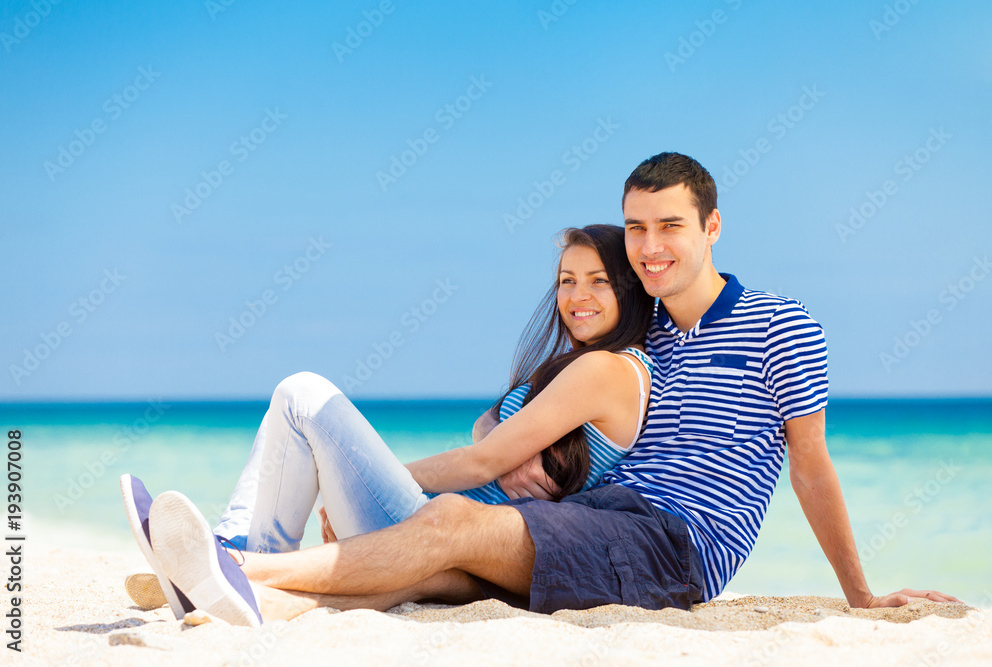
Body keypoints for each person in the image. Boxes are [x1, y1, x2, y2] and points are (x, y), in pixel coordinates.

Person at [137, 153, 960, 627]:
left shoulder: (781, 324)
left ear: (712, 227)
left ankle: (238, 564)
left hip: (678, 544)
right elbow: (595, 438)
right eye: (636, 226)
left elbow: (810, 465)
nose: (650, 244)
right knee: (443, 559)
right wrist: (537, 456)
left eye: (670, 225)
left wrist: (859, 592)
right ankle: (237, 591)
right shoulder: (651, 338)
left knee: (453, 520)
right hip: (607, 516)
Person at [121, 224, 657, 624]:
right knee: (296, 400)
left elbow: (480, 461)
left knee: (302, 394)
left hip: (442, 536)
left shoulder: (608, 368)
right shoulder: (578, 366)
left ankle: (229, 553)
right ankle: (232, 559)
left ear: (629, 290)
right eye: (567, 281)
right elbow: (485, 427)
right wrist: (504, 444)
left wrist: (375, 476)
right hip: (441, 535)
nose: (576, 296)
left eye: (598, 281)